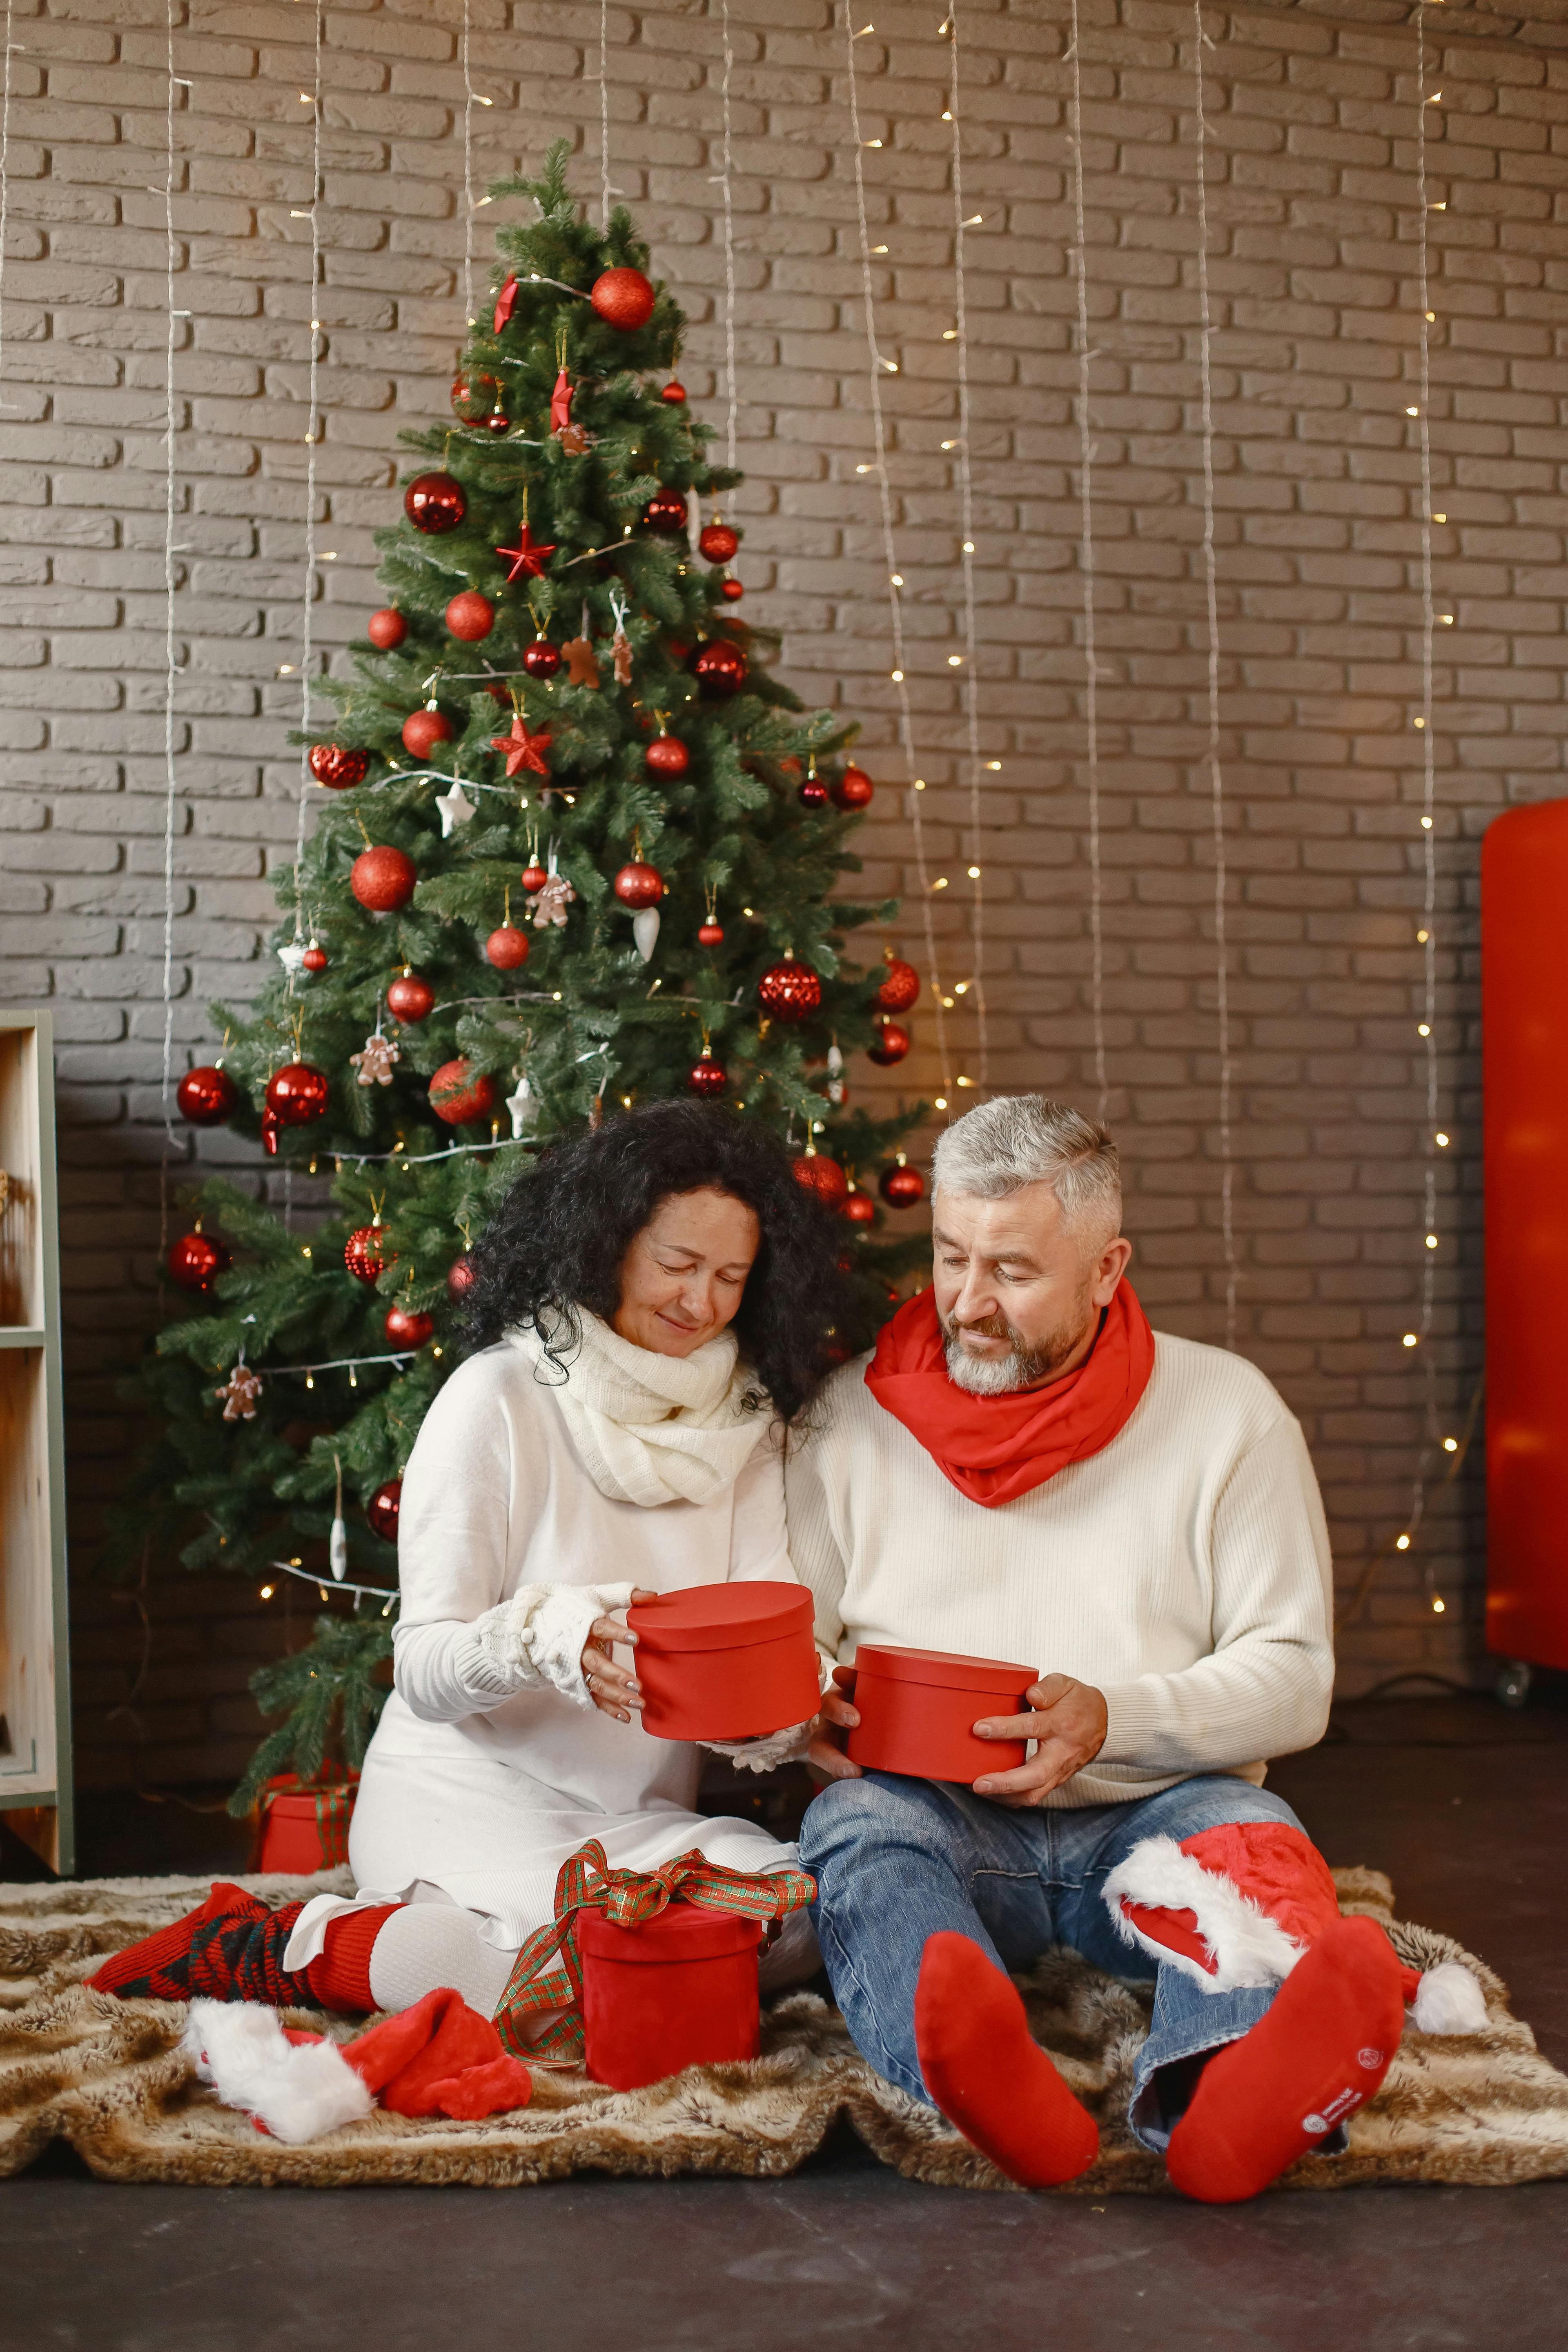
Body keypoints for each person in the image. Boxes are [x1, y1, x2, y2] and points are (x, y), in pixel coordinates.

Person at [92, 1101, 841, 2030]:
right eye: (678, 1266)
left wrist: (777, 1712)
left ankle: (546, 1956)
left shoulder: (752, 1423)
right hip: (468, 1806)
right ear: (606, 1246)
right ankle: (284, 1944)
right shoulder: (498, 1396)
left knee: (810, 1916)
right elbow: (427, 1668)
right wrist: (543, 1638)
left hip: (638, 1832)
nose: (703, 1304)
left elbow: (761, 1635)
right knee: (536, 1975)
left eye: (731, 1276)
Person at [787, 1093, 1410, 2205]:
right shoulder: (846, 1419)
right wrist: (816, 1713)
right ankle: (985, 2090)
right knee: (855, 1830)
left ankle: (1222, 2104)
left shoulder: (1230, 1415)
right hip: (944, 1813)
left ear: (1107, 1268)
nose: (969, 1305)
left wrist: (1114, 1718)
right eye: (948, 1257)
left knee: (1256, 1835)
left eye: (1014, 1272)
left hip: (1160, 1808)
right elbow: (805, 1645)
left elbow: (1296, 1677)